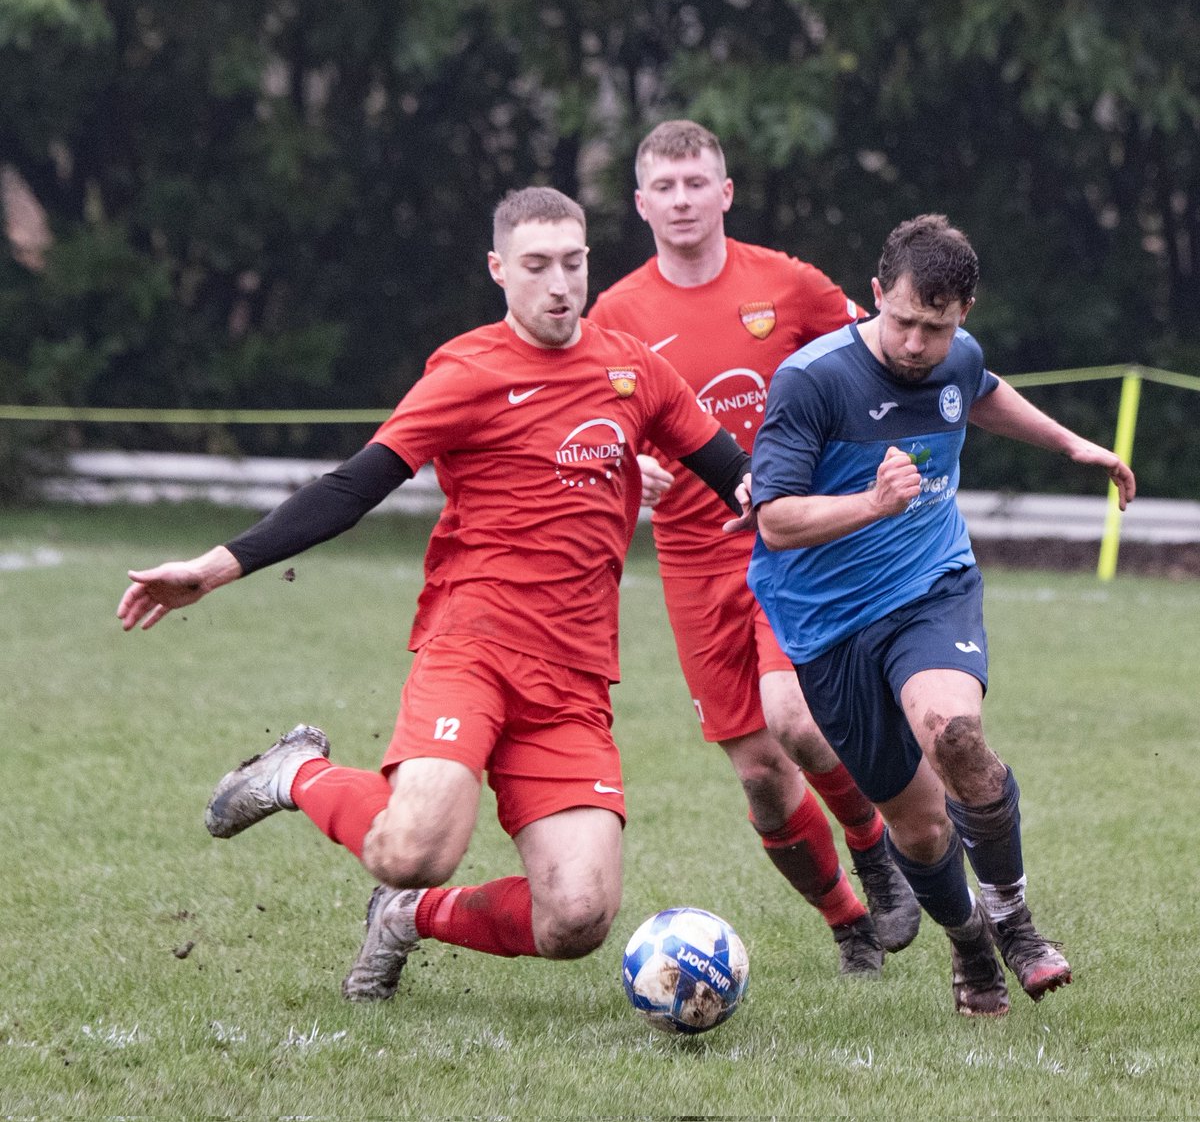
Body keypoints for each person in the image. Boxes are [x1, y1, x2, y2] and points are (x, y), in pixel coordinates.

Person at [118, 186, 755, 1002]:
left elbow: (734, 473)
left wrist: (797, 502)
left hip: (574, 677)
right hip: (473, 645)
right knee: (414, 849)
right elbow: (354, 487)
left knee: (578, 917)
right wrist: (215, 567)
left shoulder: (634, 370)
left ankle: (407, 918)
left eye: (573, 262)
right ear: (498, 269)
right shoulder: (468, 371)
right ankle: (295, 773)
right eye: (536, 265)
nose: (560, 284)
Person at [747, 213, 1136, 1016]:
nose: (917, 345)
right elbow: (775, 520)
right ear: (874, 294)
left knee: (953, 732)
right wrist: (871, 503)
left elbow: (980, 392)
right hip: (828, 626)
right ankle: (969, 942)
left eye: (937, 327)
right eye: (902, 322)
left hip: (931, 585)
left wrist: (1073, 446)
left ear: (964, 315)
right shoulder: (812, 381)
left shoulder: (957, 355)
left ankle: (1015, 922)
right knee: (920, 830)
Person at [588, 120, 920, 976]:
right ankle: (849, 924)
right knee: (764, 779)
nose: (682, 200)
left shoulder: (788, 284)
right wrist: (630, 469)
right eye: (665, 188)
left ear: (726, 192)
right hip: (693, 563)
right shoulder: (615, 316)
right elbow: (593, 429)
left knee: (795, 718)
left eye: (697, 182)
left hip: (792, 547)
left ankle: (874, 850)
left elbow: (873, 360)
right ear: (640, 204)